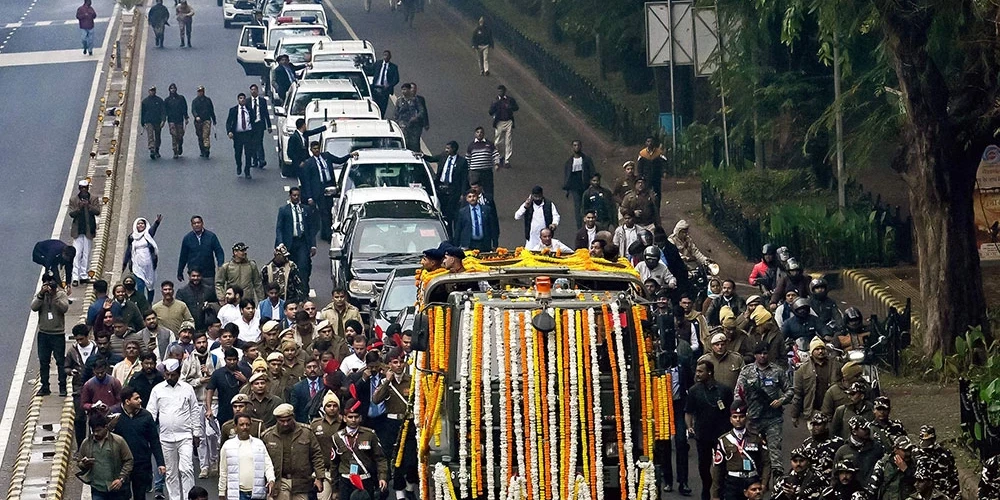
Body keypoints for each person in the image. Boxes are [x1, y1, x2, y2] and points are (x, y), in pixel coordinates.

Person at [734, 341, 793, 483]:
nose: (763, 356)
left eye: (765, 353)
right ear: (755, 355)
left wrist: (781, 400)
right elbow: (738, 393)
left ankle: (777, 483)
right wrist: (741, 412)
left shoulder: (777, 371)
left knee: (774, 451)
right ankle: (753, 481)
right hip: (753, 419)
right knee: (751, 450)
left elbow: (790, 390)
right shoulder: (747, 371)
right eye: (760, 353)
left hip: (773, 418)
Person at [147, 358, 200, 500]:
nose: (170, 377)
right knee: (170, 472)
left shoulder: (187, 388)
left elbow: (194, 410)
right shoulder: (157, 390)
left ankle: (190, 497)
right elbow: (151, 413)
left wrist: (196, 433)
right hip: (165, 438)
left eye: (173, 374)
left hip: (185, 436)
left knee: (187, 469)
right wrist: (149, 434)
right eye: (167, 374)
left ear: (178, 373)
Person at [685, 359, 734, 500]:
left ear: (710, 372)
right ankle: (706, 490)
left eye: (701, 371)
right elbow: (688, 411)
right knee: (703, 466)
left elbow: (731, 412)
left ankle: (720, 491)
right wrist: (690, 427)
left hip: (721, 435)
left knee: (722, 465)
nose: (697, 374)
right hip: (703, 435)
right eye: (697, 371)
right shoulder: (694, 391)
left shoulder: (724, 390)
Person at [372, 349, 417, 499]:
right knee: (395, 458)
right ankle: (399, 492)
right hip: (391, 423)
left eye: (401, 361)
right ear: (389, 364)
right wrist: (387, 381)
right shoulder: (386, 382)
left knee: (411, 458)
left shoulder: (411, 380)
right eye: (395, 362)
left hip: (409, 422)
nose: (398, 365)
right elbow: (376, 399)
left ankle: (410, 487)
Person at [111, 385, 166, 500]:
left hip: (141, 464)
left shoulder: (146, 416)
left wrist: (160, 462)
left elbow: (154, 440)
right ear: (127, 401)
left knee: (140, 495)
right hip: (121, 464)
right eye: (136, 398)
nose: (140, 401)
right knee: (123, 495)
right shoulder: (114, 416)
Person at [262, 403, 327, 500]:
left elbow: (316, 455)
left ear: (293, 417)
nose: (285, 423)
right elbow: (263, 461)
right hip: (280, 482)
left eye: (288, 420)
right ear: (276, 419)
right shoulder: (268, 436)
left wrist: (319, 477)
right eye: (282, 421)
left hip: (301, 482)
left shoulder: (306, 432)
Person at [331, 398, 388, 500]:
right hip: (346, 481)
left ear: (360, 418)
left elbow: (380, 458)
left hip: (365, 479)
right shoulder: (337, 437)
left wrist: (382, 477)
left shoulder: (370, 435)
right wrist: (334, 488)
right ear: (344, 418)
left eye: (356, 417)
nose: (353, 420)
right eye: (350, 417)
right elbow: (334, 464)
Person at [710, 405, 768, 500]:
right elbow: (718, 468)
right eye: (735, 417)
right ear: (730, 419)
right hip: (733, 483)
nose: (738, 419)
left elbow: (766, 462)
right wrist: (715, 494)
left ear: (746, 418)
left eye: (741, 416)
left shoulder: (756, 438)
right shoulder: (724, 440)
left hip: (752, 481)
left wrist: (764, 483)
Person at [300, 144, 354, 241]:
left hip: (329, 186)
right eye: (314, 149)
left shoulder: (327, 156)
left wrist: (349, 155)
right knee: (323, 211)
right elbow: (307, 181)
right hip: (318, 190)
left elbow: (339, 160)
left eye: (318, 148)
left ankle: (325, 232)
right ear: (311, 150)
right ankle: (328, 235)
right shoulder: (309, 163)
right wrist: (309, 197)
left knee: (330, 210)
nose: (316, 150)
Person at [218, 412, 276, 500]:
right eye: (241, 425)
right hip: (237, 494)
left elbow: (268, 465)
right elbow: (223, 471)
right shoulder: (227, 446)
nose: (245, 427)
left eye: (247, 425)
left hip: (257, 493)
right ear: (235, 426)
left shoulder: (259, 444)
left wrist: (271, 479)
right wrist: (221, 492)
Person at [76, 414, 134, 500]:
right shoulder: (87, 443)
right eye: (94, 431)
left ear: (106, 427)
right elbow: (79, 463)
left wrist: (121, 479)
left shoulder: (118, 441)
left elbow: (129, 460)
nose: (96, 433)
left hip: (117, 489)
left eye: (99, 430)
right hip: (97, 488)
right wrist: (84, 464)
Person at [32, 273, 70, 396]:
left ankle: (62, 387)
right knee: (44, 361)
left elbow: (64, 308)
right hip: (43, 333)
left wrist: (54, 296)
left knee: (60, 361)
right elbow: (33, 307)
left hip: (57, 334)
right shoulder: (40, 295)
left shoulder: (61, 294)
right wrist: (41, 294)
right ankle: (45, 386)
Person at [275, 188, 317, 291]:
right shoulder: (284, 210)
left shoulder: (305, 209)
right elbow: (279, 228)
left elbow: (311, 228)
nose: (296, 197)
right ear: (290, 196)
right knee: (289, 268)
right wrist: (280, 243)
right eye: (294, 195)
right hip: (290, 243)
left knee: (303, 266)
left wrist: (313, 245)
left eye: (298, 195)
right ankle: (292, 290)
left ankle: (304, 291)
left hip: (302, 242)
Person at [791, 337, 840, 425]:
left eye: (822, 348)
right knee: (817, 436)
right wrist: (795, 415)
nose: (820, 351)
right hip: (813, 411)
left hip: (833, 410)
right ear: (811, 351)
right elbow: (797, 394)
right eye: (817, 349)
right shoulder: (802, 370)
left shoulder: (836, 365)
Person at [424, 141, 470, 227]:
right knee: (442, 212)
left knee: (453, 213)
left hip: (453, 190)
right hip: (441, 189)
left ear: (454, 149)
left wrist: (463, 194)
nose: (446, 150)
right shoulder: (443, 156)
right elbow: (431, 159)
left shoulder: (462, 162)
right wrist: (422, 155)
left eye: (448, 148)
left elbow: (464, 179)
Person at [176, 215, 225, 288]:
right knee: (194, 293)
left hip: (208, 273)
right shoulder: (187, 238)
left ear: (202, 223)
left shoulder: (211, 236)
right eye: (194, 223)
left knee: (210, 294)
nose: (196, 225)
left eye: (198, 223)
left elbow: (219, 252)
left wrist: (220, 265)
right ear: (191, 225)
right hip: (194, 274)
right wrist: (180, 272)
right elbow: (183, 257)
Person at [311, 393, 343, 500]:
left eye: (335, 405)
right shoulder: (315, 425)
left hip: (341, 470)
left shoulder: (344, 424)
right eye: (329, 406)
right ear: (324, 407)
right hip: (323, 471)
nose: (332, 408)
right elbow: (311, 450)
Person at [69, 179, 101, 286]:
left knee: (86, 254)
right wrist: (79, 207)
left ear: (88, 188)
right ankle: (75, 277)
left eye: (85, 188)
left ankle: (83, 275)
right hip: (77, 230)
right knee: (76, 254)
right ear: (79, 188)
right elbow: (71, 214)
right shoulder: (74, 200)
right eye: (81, 188)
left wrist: (88, 206)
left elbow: (97, 211)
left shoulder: (93, 199)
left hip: (89, 230)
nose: (83, 190)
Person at [913, 426, 959, 499]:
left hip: (944, 493)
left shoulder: (945, 454)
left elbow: (953, 476)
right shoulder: (916, 454)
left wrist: (955, 494)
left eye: (929, 441)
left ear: (934, 439)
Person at [833, 417, 884, 482]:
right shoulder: (842, 451)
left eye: (868, 428)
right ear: (854, 432)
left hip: (873, 489)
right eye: (863, 429)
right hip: (851, 490)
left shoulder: (877, 448)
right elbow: (835, 476)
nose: (867, 431)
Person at [206, 348, 248, 427]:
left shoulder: (245, 371)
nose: (232, 362)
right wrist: (209, 409)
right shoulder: (218, 373)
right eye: (229, 359)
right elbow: (210, 390)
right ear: (225, 360)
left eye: (234, 359)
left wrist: (245, 380)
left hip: (243, 412)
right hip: (224, 412)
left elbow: (252, 389)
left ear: (238, 359)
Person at [123, 215, 161, 302]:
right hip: (137, 264)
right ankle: (141, 302)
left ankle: (149, 303)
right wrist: (124, 264)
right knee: (140, 284)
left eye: (142, 224)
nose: (140, 225)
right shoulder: (132, 237)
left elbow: (153, 230)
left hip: (149, 264)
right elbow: (128, 251)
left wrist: (156, 223)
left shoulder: (148, 235)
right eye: (139, 224)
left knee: (150, 285)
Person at [800, 412, 845, 479]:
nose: (815, 427)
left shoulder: (838, 442)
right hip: (812, 480)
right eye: (814, 425)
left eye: (818, 424)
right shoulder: (807, 443)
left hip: (831, 479)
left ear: (825, 425)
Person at [562, 140, 595, 227]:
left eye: (578, 145)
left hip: (585, 185)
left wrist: (592, 182)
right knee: (578, 206)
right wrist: (567, 188)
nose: (576, 147)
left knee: (587, 204)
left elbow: (592, 172)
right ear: (572, 147)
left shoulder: (586, 159)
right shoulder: (569, 162)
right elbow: (567, 175)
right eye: (575, 145)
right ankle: (579, 226)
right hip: (575, 187)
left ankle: (589, 223)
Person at [227, 93, 257, 179]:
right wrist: (229, 131)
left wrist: (253, 132)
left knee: (248, 153)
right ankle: (239, 165)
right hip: (238, 135)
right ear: (238, 100)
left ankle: (247, 170)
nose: (242, 100)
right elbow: (229, 122)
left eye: (243, 98)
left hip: (247, 134)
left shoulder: (249, 110)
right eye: (240, 98)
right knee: (238, 152)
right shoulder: (233, 110)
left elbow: (253, 121)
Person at [466, 126, 501, 198]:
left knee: (488, 190)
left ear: (484, 134)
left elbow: (495, 154)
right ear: (475, 134)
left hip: (486, 172)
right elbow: (468, 159)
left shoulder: (489, 144)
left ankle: (489, 205)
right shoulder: (471, 145)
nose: (479, 134)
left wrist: (497, 164)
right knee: (474, 190)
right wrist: (468, 170)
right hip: (475, 172)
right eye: (478, 132)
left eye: (481, 132)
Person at [489, 85, 518, 168]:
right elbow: (490, 111)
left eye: (501, 91)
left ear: (505, 91)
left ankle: (506, 160)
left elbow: (516, 108)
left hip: (508, 121)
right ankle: (499, 157)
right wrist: (494, 109)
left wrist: (510, 107)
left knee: (508, 141)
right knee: (497, 142)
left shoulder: (510, 100)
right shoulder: (495, 100)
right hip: (499, 122)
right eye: (499, 91)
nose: (500, 92)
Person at [393, 83, 426, 152]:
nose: (403, 91)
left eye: (405, 89)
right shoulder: (399, 100)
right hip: (403, 126)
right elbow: (396, 113)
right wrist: (397, 124)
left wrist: (415, 118)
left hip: (414, 126)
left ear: (409, 90)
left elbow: (422, 111)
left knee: (414, 144)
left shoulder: (416, 100)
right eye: (402, 90)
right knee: (404, 143)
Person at [636, 136, 667, 202]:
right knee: (646, 193)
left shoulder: (659, 153)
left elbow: (664, 163)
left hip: (656, 176)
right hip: (646, 177)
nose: (650, 143)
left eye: (651, 141)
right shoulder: (642, 153)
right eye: (648, 141)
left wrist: (664, 172)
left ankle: (657, 209)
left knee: (657, 193)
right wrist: (640, 176)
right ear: (645, 143)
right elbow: (639, 166)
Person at [247, 84, 271, 169]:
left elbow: (266, 114)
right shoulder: (247, 102)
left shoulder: (262, 101)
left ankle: (262, 160)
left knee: (259, 142)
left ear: (257, 91)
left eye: (255, 89)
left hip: (259, 124)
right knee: (252, 143)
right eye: (251, 90)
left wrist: (269, 125)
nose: (253, 91)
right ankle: (255, 160)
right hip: (250, 125)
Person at [370, 50, 399, 119]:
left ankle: (381, 118)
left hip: (385, 90)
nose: (386, 57)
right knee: (375, 105)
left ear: (390, 57)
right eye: (384, 55)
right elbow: (370, 70)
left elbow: (396, 79)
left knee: (383, 107)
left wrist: (389, 85)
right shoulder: (378, 64)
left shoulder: (393, 67)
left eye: (387, 55)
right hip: (375, 88)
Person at [189, 85, 216, 157]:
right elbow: (193, 110)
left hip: (206, 120)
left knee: (206, 135)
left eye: (201, 91)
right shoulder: (195, 101)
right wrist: (196, 116)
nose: (200, 93)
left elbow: (211, 110)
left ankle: (207, 149)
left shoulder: (208, 100)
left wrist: (214, 119)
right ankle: (202, 150)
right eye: (199, 91)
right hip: (198, 122)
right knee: (200, 136)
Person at [164, 83, 189, 158]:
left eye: (174, 88)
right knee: (174, 135)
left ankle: (180, 145)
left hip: (179, 120)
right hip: (171, 120)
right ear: (169, 90)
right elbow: (164, 111)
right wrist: (163, 119)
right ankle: (175, 151)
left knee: (180, 136)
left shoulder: (181, 98)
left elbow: (184, 108)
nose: (173, 90)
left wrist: (186, 117)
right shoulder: (167, 100)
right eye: (171, 89)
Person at [142, 86, 167, 159]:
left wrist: (163, 120)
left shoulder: (159, 101)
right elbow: (143, 113)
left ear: (155, 91)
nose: (152, 92)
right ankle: (152, 149)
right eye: (151, 90)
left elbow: (163, 111)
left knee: (157, 136)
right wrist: (142, 122)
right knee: (150, 136)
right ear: (148, 91)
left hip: (157, 121)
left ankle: (157, 149)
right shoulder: (145, 101)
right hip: (149, 121)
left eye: (153, 90)